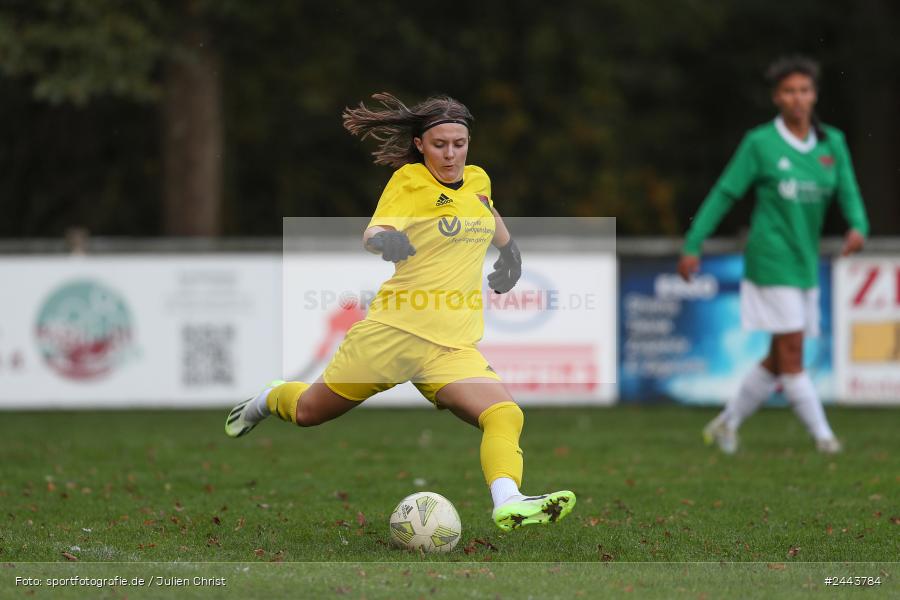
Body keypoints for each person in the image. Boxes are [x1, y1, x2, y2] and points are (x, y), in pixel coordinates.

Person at [225, 93, 575, 530]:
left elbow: (487, 210)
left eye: (459, 143)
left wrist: (511, 252)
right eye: (440, 144)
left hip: (451, 347)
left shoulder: (479, 179)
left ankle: (508, 500)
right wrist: (386, 241)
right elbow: (376, 229)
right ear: (420, 146)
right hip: (393, 334)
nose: (451, 154)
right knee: (308, 413)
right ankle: (267, 399)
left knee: (504, 413)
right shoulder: (409, 182)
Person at [678, 56, 868, 454]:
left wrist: (858, 225)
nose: (797, 98)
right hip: (770, 258)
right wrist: (694, 243)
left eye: (804, 90)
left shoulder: (832, 142)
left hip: (804, 261)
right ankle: (824, 438)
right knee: (793, 353)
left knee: (778, 356)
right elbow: (725, 192)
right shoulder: (760, 143)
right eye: (788, 91)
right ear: (776, 97)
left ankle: (725, 424)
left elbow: (848, 189)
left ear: (814, 95)